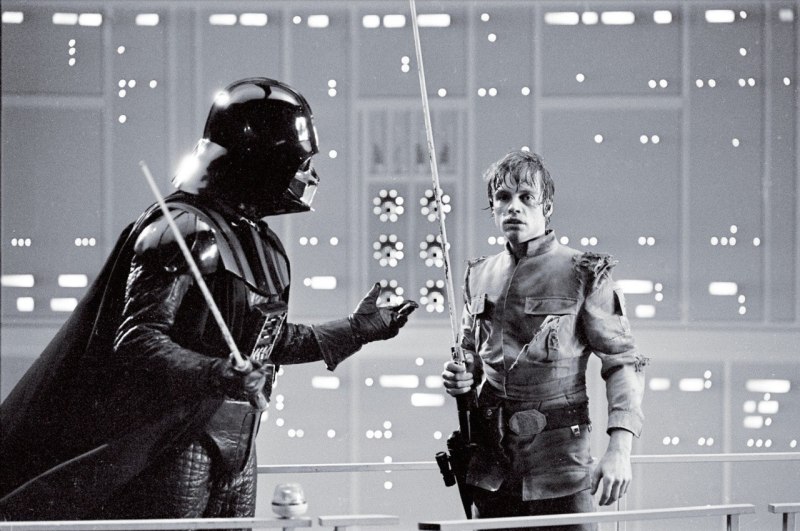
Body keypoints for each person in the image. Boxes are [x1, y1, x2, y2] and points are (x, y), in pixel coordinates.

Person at [0, 77, 417, 522]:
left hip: (239, 442)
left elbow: (266, 342)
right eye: (299, 162)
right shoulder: (181, 229)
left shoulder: (258, 241)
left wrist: (355, 330)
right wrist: (218, 373)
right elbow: (138, 339)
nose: (308, 176)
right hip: (177, 440)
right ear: (262, 159)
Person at [442, 150, 647, 530]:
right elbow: (472, 354)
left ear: (546, 207)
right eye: (503, 197)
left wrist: (620, 449)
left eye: (526, 197)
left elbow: (623, 362)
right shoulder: (479, 274)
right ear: (492, 207)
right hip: (490, 471)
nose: (513, 207)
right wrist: (461, 374)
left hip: (561, 468)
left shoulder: (584, 273)